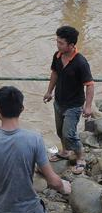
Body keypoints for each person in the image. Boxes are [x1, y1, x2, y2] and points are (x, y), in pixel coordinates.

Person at [0, 86, 71, 213]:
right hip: (30, 209)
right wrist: (63, 186)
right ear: (22, 109)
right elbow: (52, 181)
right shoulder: (34, 138)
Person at [43, 26, 94, 175]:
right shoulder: (57, 56)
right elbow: (54, 74)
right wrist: (49, 91)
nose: (57, 45)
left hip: (74, 105)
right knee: (60, 131)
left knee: (69, 134)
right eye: (57, 41)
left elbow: (89, 85)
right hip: (59, 102)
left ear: (71, 45)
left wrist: (88, 106)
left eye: (61, 43)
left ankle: (81, 158)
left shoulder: (80, 63)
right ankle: (65, 151)